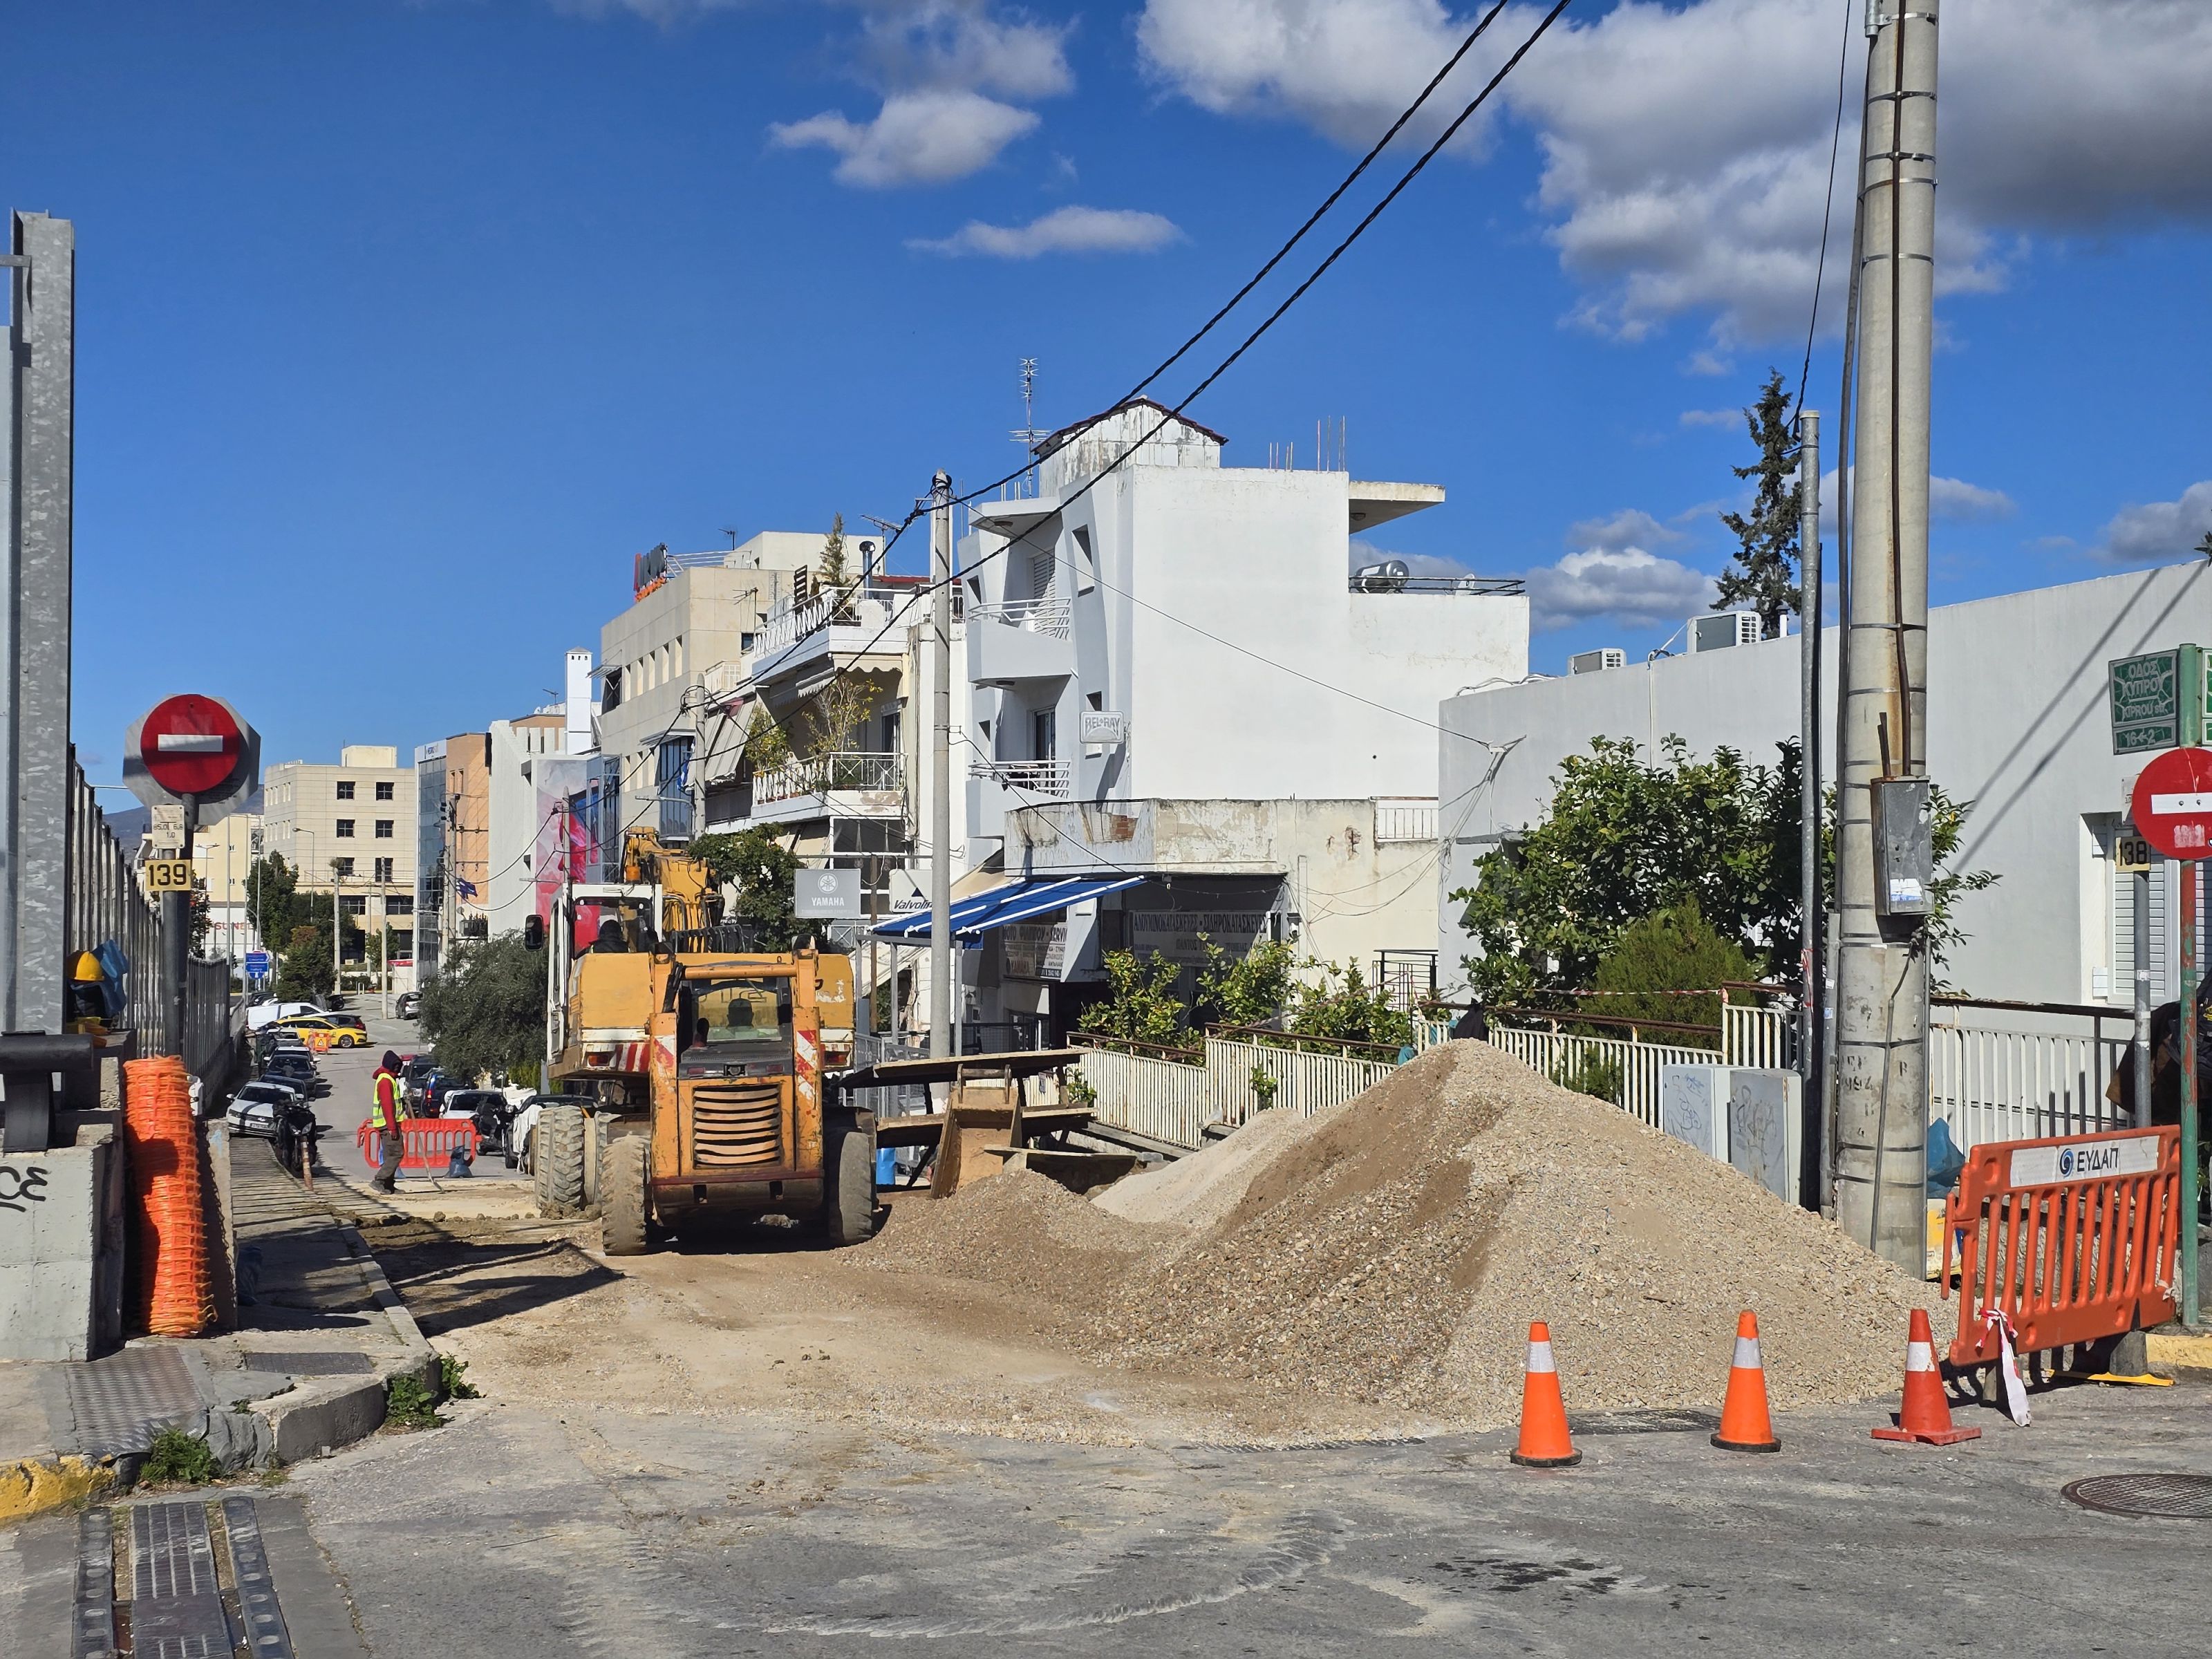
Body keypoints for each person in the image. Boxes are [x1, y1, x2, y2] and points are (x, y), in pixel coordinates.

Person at [370, 1049, 406, 1193]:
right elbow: (387, 1105)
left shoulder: (389, 1079)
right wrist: (392, 1128)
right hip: (388, 1125)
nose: (398, 1070)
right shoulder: (385, 1081)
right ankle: (379, 1180)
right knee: (397, 1153)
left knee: (389, 1155)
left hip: (387, 1125)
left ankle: (388, 1185)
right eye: (396, 1067)